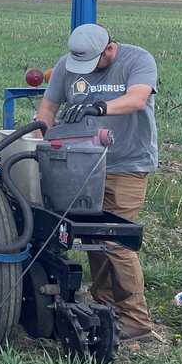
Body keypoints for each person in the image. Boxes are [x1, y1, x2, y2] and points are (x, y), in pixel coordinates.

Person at [35, 22, 159, 343]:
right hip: (83, 164)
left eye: (93, 63)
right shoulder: (66, 66)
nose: (85, 72)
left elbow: (137, 99)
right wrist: (39, 146)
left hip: (126, 164)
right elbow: (48, 109)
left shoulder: (137, 60)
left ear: (109, 48)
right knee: (92, 234)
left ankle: (136, 319)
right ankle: (105, 304)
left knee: (116, 238)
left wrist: (100, 106)